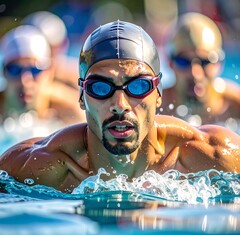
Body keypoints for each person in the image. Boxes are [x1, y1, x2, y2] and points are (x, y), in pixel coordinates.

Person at [0, 20, 239, 193]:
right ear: (82, 97)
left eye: (137, 86)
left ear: (158, 94)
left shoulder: (211, 154)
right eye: (101, 88)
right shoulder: (35, 165)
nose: (120, 105)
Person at [162, 12, 240, 125]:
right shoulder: (156, 108)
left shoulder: (235, 105)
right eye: (183, 61)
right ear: (169, 63)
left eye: (205, 61)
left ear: (219, 64)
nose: (195, 73)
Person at [1, 25, 85, 125]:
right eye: (15, 70)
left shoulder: (69, 111)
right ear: (4, 72)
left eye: (35, 70)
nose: (25, 80)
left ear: (50, 72)